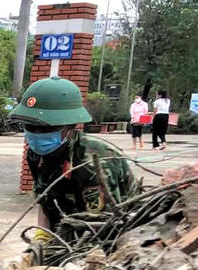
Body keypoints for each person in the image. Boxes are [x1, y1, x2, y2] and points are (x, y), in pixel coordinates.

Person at [10, 77, 140, 232]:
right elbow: (46, 201)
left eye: (45, 128)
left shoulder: (92, 162)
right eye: (30, 127)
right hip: (67, 231)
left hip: (112, 234)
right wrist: (41, 239)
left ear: (69, 126)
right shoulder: (37, 155)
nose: (36, 134)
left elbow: (105, 226)